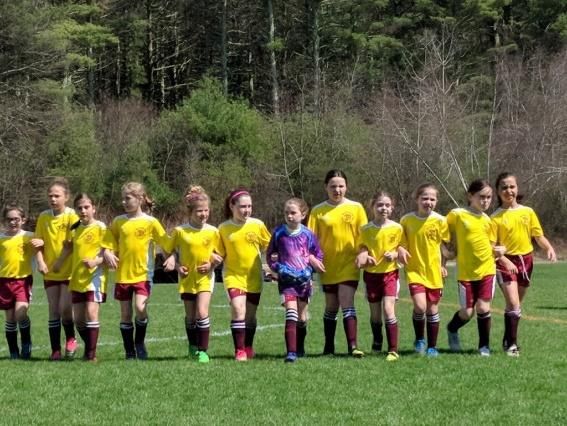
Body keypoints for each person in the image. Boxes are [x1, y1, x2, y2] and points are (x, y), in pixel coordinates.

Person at [102, 182, 171, 360]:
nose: (124, 202)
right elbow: (108, 241)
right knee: (125, 314)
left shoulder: (151, 222)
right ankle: (129, 351)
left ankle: (139, 343)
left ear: (140, 199)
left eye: (128, 198)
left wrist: (172, 258)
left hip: (143, 274)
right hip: (122, 275)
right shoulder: (118, 221)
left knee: (140, 308)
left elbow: (166, 242)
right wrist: (107, 252)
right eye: (123, 199)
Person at [491, 172, 556, 357]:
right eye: (504, 187)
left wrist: (548, 248)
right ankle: (512, 345)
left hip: (526, 261)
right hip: (505, 262)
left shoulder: (528, 212)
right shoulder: (495, 218)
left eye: (512, 186)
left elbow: (538, 236)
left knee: (516, 305)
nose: (508, 190)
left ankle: (507, 339)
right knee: (513, 302)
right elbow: (491, 246)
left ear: (517, 188)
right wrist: (503, 259)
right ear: (498, 191)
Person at [307, 170, 368, 357]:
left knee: (346, 301)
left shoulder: (356, 208)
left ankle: (353, 346)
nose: (337, 190)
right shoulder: (318, 211)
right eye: (333, 186)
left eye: (341, 186)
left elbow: (365, 235)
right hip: (327, 266)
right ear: (326, 187)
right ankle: (328, 347)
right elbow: (309, 240)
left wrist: (364, 252)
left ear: (346, 187)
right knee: (331, 306)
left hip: (349, 264)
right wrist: (312, 259)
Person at [165, 186, 220, 363]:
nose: (203, 214)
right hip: (187, 278)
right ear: (190, 212)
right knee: (190, 316)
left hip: (205, 278)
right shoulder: (180, 231)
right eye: (199, 211)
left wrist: (212, 263)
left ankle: (203, 351)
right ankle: (193, 347)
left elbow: (220, 254)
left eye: (206, 210)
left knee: (202, 312)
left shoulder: (213, 231)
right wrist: (176, 265)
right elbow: (168, 250)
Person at [445, 180, 500, 356]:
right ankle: (452, 329)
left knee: (483, 308)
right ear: (470, 196)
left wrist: (501, 251)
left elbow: (491, 246)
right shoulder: (457, 215)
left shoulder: (488, 221)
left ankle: (484, 347)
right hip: (466, 272)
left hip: (487, 269)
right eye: (481, 197)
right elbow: (442, 234)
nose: (485, 201)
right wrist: (445, 255)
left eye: (489, 197)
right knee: (467, 313)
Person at [267, 198, 324, 363]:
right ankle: (291, 352)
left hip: (304, 281)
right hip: (286, 281)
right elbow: (270, 255)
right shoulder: (279, 233)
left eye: (293, 213)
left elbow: (318, 254)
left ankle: (300, 347)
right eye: (287, 213)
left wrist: (310, 269)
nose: (289, 216)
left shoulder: (308, 234)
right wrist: (278, 268)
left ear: (303, 214)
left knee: (302, 317)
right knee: (291, 313)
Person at [217, 188, 271, 361]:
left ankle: (248, 346)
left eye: (249, 206)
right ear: (232, 206)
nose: (246, 210)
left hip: (254, 276)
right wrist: (212, 259)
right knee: (238, 309)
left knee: (250, 316)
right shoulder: (223, 228)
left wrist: (276, 260)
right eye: (242, 206)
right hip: (233, 276)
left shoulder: (258, 225)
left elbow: (270, 246)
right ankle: (239, 350)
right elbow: (219, 252)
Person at [53, 194, 108, 362]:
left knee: (91, 313)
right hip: (77, 278)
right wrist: (58, 263)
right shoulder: (75, 228)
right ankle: (89, 347)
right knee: (78, 321)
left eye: (86, 207)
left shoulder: (101, 227)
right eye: (79, 208)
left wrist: (95, 261)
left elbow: (108, 251)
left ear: (94, 208)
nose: (83, 211)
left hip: (95, 277)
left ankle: (91, 355)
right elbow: (69, 248)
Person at [399, 183, 450, 357]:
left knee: (432, 309)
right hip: (414, 271)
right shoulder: (406, 220)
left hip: (434, 272)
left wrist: (443, 265)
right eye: (425, 198)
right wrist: (400, 250)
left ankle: (432, 347)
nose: (428, 202)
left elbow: (445, 246)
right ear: (417, 199)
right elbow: (401, 243)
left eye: (432, 199)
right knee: (420, 307)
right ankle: (420, 339)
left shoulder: (441, 221)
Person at [31, 177, 79, 360]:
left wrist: (60, 262)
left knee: (65, 309)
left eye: (57, 196)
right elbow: (37, 243)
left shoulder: (72, 216)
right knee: (53, 310)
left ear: (66, 197)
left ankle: (71, 338)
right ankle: (55, 350)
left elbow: (72, 244)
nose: (53, 199)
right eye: (50, 196)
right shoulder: (44, 217)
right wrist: (40, 262)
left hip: (68, 270)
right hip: (49, 272)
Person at [355, 192, 403, 362]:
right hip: (371, 276)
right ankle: (377, 342)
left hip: (390, 274)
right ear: (372, 207)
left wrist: (395, 254)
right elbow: (361, 249)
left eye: (387, 205)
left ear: (392, 208)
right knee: (375, 314)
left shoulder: (397, 228)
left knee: (388, 310)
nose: (384, 208)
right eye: (380, 205)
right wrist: (366, 257)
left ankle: (393, 350)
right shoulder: (365, 229)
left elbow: (402, 249)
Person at [0, 206, 36, 359]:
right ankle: (13, 351)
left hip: (23, 280)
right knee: (10, 318)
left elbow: (43, 246)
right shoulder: (1, 238)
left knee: (20, 314)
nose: (12, 222)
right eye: (9, 219)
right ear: (4, 220)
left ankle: (26, 344)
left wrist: (41, 242)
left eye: (16, 219)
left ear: (23, 220)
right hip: (3, 282)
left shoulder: (29, 236)